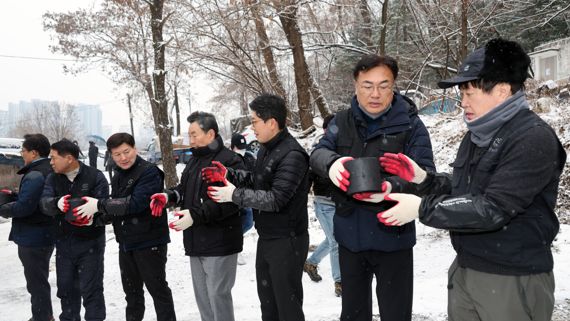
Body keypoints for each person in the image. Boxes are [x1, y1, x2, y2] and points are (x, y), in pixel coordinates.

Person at [376, 38, 567, 321]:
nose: (462, 103)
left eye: (469, 93)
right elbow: (468, 190)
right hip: (467, 269)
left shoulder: (532, 137)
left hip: (511, 278)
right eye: (461, 94)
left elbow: (492, 208)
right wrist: (423, 179)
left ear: (502, 91)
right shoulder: (477, 134)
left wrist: (420, 208)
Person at [310, 54, 435, 321]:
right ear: (355, 85)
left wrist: (391, 187)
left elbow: (427, 176)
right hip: (350, 237)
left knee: (396, 313)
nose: (375, 93)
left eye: (383, 85)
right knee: (353, 314)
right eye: (367, 85)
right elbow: (318, 153)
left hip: (394, 236)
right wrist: (331, 164)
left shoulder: (411, 125)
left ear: (394, 86)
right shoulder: (341, 122)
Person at [204, 94, 310, 321]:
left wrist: (233, 195)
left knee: (287, 306)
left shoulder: (292, 154)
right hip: (268, 238)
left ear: (271, 122)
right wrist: (229, 174)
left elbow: (275, 199)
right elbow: (258, 179)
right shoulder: (267, 148)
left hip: (287, 241)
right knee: (269, 304)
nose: (252, 128)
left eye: (254, 122)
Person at [150, 111, 244, 321]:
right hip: (196, 240)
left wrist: (196, 215)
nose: (190, 140)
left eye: (194, 134)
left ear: (210, 134)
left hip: (220, 241)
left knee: (218, 297)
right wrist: (169, 196)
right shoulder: (194, 161)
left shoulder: (229, 161)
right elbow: (184, 189)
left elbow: (230, 203)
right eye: (189, 135)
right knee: (203, 299)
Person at [77, 132, 176, 321]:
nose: (123, 158)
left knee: (158, 291)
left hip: (150, 242)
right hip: (126, 243)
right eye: (117, 154)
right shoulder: (118, 175)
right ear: (111, 155)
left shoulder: (149, 171)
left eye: (126, 152)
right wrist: (96, 219)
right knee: (131, 294)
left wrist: (99, 204)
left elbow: (136, 203)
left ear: (135, 149)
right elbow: (117, 207)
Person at [40, 139, 109, 321]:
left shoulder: (95, 177)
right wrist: (56, 203)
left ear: (69, 158)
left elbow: (107, 210)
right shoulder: (52, 178)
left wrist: (94, 218)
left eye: (54, 158)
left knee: (92, 291)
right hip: (64, 244)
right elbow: (43, 203)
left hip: (90, 244)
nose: (51, 162)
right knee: (66, 291)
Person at [0, 134, 55, 321]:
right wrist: (17, 196)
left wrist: (4, 208)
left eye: (23, 151)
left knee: (36, 282)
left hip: (33, 237)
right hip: (45, 233)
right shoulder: (49, 169)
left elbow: (26, 207)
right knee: (39, 279)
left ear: (34, 152)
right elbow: (37, 201)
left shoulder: (35, 174)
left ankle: (42, 317)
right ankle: (43, 315)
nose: (21, 154)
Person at [303, 114, 342, 297]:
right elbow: (309, 173)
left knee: (333, 238)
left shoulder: (345, 144)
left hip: (341, 202)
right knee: (336, 241)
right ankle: (340, 282)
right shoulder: (319, 148)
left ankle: (311, 262)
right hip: (324, 202)